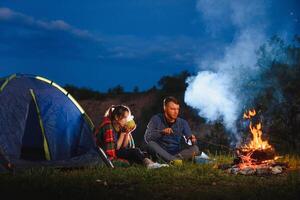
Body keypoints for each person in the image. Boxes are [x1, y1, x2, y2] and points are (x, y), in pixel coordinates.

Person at [94, 105, 168, 169]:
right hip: (105, 153)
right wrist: (123, 133)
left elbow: (124, 147)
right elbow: (114, 149)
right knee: (135, 151)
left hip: (117, 151)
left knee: (142, 152)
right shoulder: (108, 126)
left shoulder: (120, 127)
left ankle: (152, 163)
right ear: (117, 117)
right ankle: (149, 165)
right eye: (125, 118)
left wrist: (127, 133)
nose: (127, 120)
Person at [144, 96, 199, 163]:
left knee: (195, 149)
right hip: (160, 151)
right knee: (151, 145)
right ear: (165, 108)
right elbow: (147, 137)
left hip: (176, 152)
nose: (176, 112)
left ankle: (171, 161)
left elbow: (189, 141)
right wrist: (162, 132)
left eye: (177, 109)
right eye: (172, 109)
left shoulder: (183, 122)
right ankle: (174, 161)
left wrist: (192, 140)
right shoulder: (156, 119)